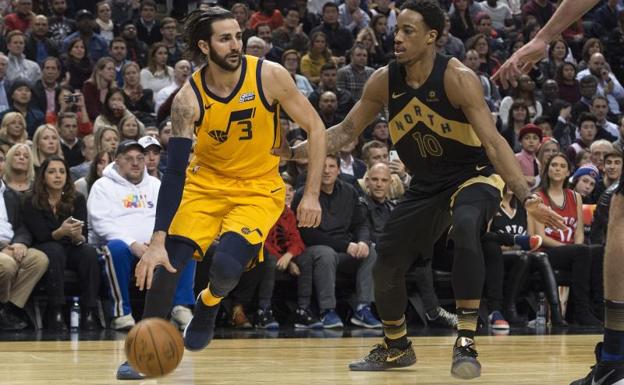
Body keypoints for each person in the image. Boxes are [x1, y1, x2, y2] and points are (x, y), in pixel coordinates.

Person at [277, 0, 562, 379]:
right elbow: (346, 132)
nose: (397, 37)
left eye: (408, 31)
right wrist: (293, 152)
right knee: (387, 258)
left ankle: (465, 340)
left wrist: (526, 196)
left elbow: (493, 143)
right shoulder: (383, 79)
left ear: (432, 37)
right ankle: (396, 346)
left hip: (472, 175)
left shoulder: (458, 77)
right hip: (425, 185)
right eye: (396, 29)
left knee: (465, 225)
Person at [116, 7, 326, 380]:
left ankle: (208, 303)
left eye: (237, 36)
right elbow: (175, 170)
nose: (235, 45)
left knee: (227, 269)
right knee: (167, 264)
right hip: (205, 184)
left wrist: (310, 194)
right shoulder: (187, 99)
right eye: (224, 38)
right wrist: (157, 239)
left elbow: (316, 126)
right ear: (204, 45)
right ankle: (142, 351)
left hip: (259, 189)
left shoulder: (270, 76)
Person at [22, 156, 101, 331]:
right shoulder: (31, 200)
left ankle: (89, 310)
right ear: (43, 176)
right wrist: (61, 232)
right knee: (55, 249)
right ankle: (55, 310)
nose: (58, 176)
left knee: (88, 252)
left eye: (62, 172)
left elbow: (84, 235)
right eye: (52, 172)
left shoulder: (77, 198)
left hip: (70, 247)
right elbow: (41, 236)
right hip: (42, 248)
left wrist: (77, 237)